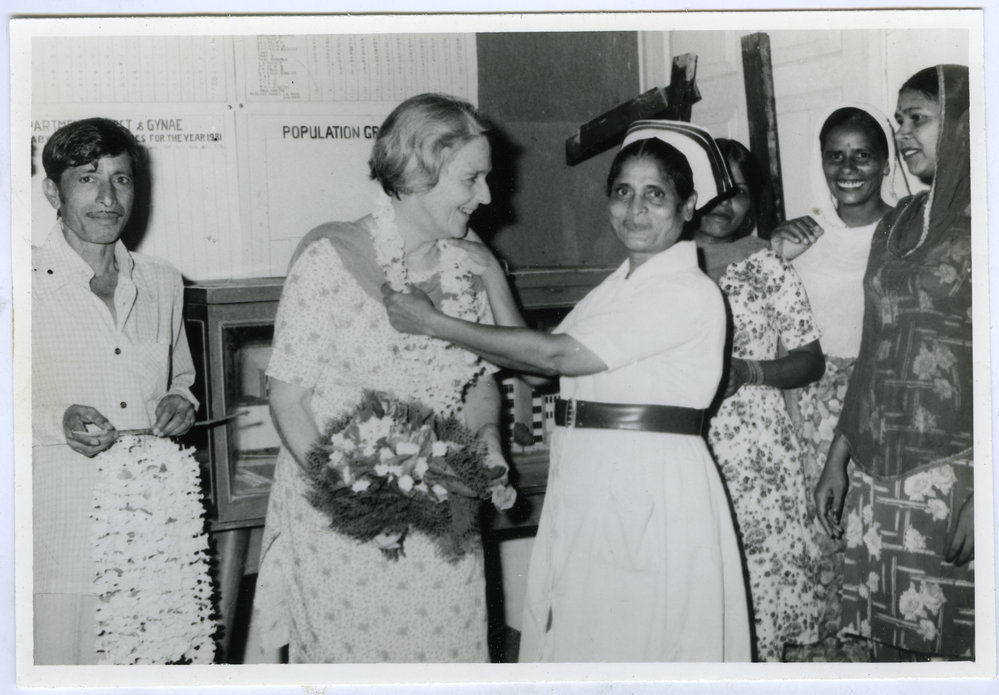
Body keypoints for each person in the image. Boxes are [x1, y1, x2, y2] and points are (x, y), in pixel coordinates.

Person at [384, 120, 751, 663]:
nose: (634, 210)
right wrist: (488, 271)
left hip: (647, 484)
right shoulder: (622, 284)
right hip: (596, 476)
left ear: (689, 203)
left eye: (655, 195)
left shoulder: (685, 291)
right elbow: (537, 370)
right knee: (586, 629)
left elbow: (556, 357)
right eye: (622, 192)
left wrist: (434, 321)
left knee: (638, 638)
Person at [248, 93, 519, 664]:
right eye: (471, 179)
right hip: (345, 516)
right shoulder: (331, 257)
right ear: (419, 171)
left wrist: (489, 441)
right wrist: (354, 501)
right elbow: (288, 398)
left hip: (446, 510)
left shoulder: (470, 265)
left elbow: (474, 383)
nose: (486, 196)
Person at [814, 65, 974, 661]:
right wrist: (840, 455)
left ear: (962, 126)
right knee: (887, 653)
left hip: (956, 477)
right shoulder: (899, 220)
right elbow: (872, 344)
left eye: (919, 119)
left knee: (960, 653)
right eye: (900, 119)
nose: (903, 134)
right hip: (878, 476)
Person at [32, 117, 200, 664]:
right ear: (52, 191)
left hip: (153, 533)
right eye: (87, 178)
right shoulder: (18, 283)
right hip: (60, 537)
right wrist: (54, 419)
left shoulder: (162, 281)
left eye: (121, 180)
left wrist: (182, 403)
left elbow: (181, 382)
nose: (108, 197)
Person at [768, 105, 903, 653]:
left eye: (862, 155)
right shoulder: (804, 234)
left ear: (885, 162)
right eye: (835, 156)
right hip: (807, 402)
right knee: (814, 545)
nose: (848, 168)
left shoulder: (905, 231)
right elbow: (776, 325)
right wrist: (776, 252)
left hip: (877, 398)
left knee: (871, 548)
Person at [694, 137, 825, 662]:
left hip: (756, 450)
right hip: (684, 442)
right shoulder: (665, 266)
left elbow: (809, 359)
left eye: (739, 192)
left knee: (756, 595)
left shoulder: (767, 264)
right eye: (713, 189)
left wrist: (748, 371)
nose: (725, 204)